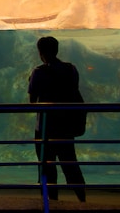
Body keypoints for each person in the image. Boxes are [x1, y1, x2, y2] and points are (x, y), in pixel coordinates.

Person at [28, 36, 86, 201]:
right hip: (66, 126)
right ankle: (83, 201)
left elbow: (33, 102)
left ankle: (50, 204)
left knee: (47, 167)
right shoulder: (71, 69)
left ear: (41, 53)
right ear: (56, 50)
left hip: (45, 128)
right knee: (70, 165)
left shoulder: (38, 72)